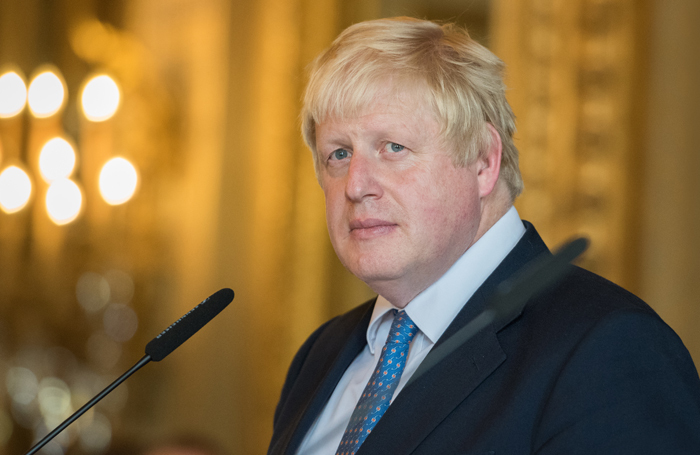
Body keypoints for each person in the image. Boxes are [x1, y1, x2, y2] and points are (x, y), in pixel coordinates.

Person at [267, 17, 700, 455]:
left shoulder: (609, 350)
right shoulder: (321, 354)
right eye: (338, 154)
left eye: (393, 148)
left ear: (482, 161)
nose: (356, 185)